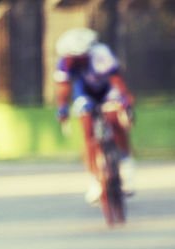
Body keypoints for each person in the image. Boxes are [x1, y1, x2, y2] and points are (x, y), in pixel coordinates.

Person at [54, 27, 136, 204]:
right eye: (69, 58)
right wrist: (62, 108)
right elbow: (63, 86)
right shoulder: (65, 62)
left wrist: (125, 99)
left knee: (115, 121)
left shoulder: (100, 54)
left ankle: (126, 168)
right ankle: (94, 180)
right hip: (84, 93)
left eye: (76, 58)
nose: (72, 61)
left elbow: (116, 79)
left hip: (108, 90)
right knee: (87, 132)